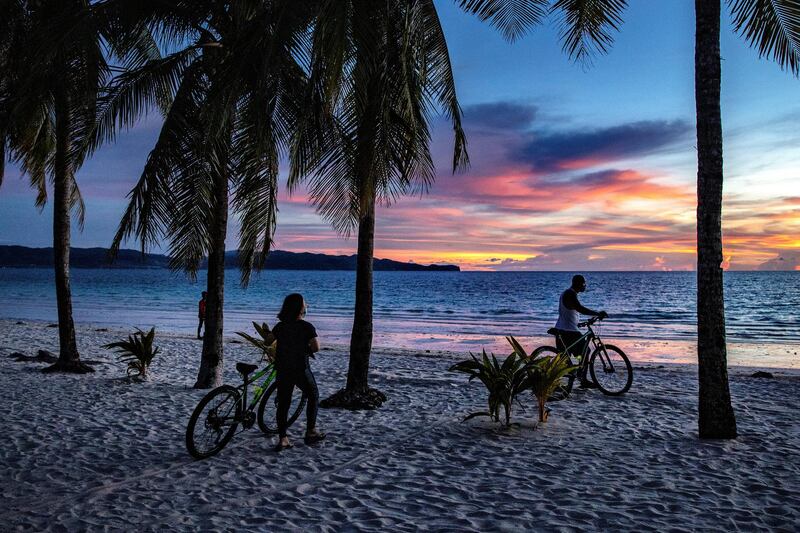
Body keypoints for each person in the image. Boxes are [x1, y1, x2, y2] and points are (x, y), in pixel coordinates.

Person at [272, 293, 325, 451]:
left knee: (284, 403)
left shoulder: (280, 326)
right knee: (313, 395)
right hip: (300, 368)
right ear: (299, 308)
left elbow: (268, 340)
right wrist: (304, 348)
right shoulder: (306, 326)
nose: (306, 305)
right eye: (304, 303)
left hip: (282, 367)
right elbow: (316, 347)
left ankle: (283, 439)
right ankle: (311, 431)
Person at [553, 275, 607, 389]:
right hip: (569, 331)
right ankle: (582, 379)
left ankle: (576, 374)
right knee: (585, 351)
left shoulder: (568, 293)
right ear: (579, 284)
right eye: (584, 284)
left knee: (570, 356)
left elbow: (570, 312)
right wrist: (597, 313)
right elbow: (580, 308)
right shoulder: (570, 294)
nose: (585, 286)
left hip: (565, 329)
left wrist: (579, 323)